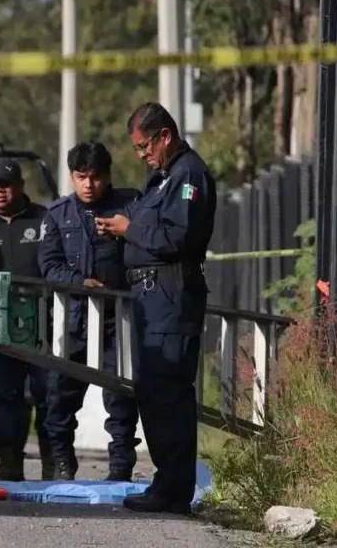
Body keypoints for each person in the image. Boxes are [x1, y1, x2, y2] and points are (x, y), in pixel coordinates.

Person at [94, 102, 217, 515]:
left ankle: (173, 489)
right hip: (152, 299)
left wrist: (131, 229)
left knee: (168, 391)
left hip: (171, 296)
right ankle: (167, 481)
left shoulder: (188, 175)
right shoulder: (161, 178)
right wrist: (120, 228)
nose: (142, 154)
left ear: (165, 136)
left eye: (145, 145)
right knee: (154, 390)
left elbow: (178, 237)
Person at [37, 141, 142, 482]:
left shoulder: (130, 207)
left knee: (121, 397)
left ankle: (120, 467)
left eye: (95, 177)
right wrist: (80, 282)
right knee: (60, 398)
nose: (88, 184)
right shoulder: (57, 214)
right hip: (73, 320)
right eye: (81, 177)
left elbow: (144, 253)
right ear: (71, 176)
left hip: (117, 320)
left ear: (107, 176)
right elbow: (49, 266)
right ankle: (62, 464)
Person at [0, 158, 55, 481]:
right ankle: (9, 463)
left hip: (42, 325)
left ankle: (52, 463)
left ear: (19, 185)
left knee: (47, 394)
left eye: (4, 185)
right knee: (7, 397)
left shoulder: (45, 220)